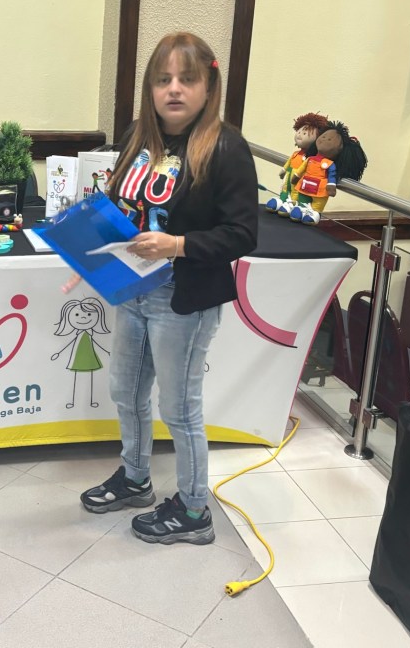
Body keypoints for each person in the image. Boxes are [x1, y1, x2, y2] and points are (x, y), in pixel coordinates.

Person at [78, 32, 258, 545]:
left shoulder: (226, 147)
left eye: (187, 79)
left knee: (178, 407)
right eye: (163, 79)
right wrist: (87, 253)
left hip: (184, 298)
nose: (173, 89)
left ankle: (195, 509)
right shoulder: (138, 137)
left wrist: (177, 245)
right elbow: (121, 210)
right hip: (133, 289)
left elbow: (243, 233)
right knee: (126, 391)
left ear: (209, 87)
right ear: (149, 89)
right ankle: (136, 478)